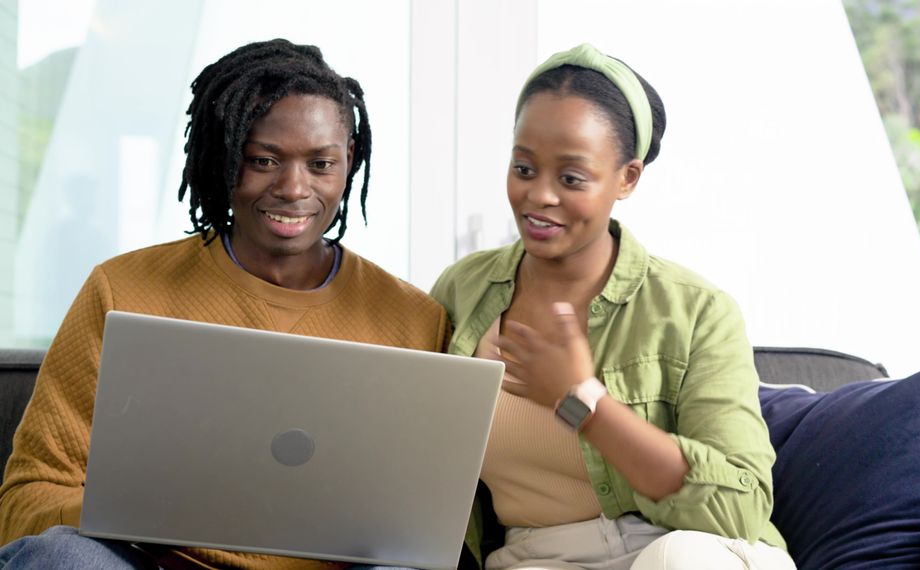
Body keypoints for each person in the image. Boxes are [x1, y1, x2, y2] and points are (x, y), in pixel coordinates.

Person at [0, 39, 447, 569]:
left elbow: (424, 521)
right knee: (64, 557)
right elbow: (27, 498)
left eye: (321, 163)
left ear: (349, 159)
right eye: (263, 160)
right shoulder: (121, 290)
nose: (293, 188)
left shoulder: (414, 319)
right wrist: (135, 515)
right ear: (224, 156)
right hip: (154, 563)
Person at [431, 44, 796, 570]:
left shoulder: (697, 311)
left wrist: (581, 401)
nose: (539, 195)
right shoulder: (463, 290)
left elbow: (740, 507)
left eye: (571, 178)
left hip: (685, 546)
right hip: (536, 555)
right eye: (524, 168)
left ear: (628, 178)